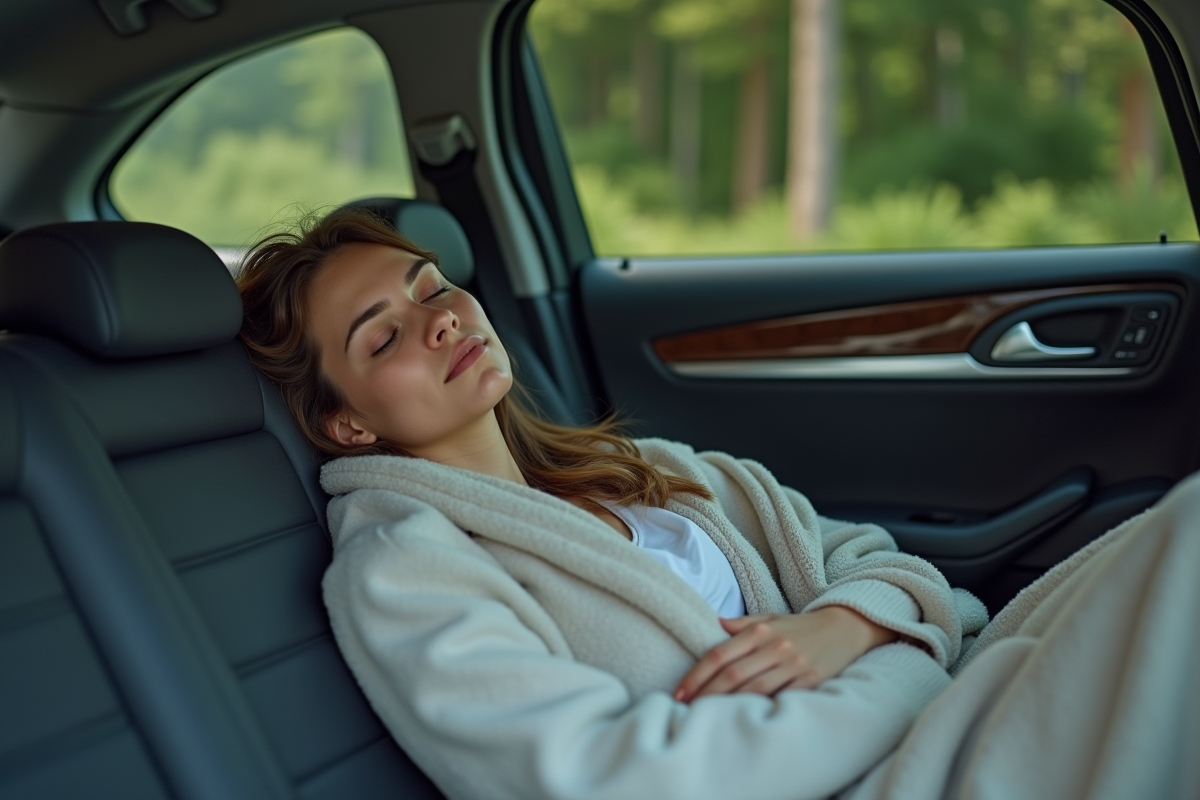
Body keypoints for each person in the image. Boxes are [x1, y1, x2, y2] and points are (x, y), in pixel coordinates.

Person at [237, 207, 1200, 800]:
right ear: (348, 425)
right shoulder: (406, 567)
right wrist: (900, 662)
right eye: (385, 334)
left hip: (943, 710)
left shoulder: (646, 468)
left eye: (433, 285)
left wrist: (842, 629)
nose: (442, 315)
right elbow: (608, 779)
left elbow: (886, 563)